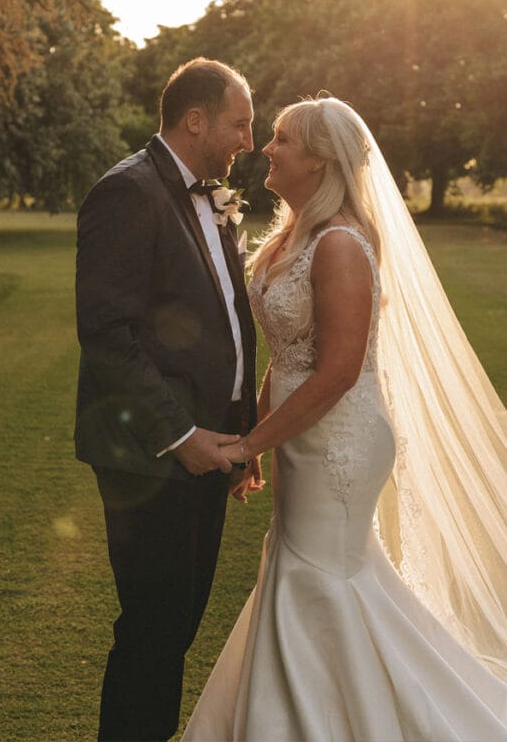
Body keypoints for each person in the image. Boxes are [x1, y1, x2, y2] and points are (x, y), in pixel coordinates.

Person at [182, 95, 506, 742]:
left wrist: (249, 444)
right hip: (305, 436)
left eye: (283, 140)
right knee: (310, 575)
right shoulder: (292, 236)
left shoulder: (340, 245)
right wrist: (263, 445)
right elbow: (289, 356)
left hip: (341, 444)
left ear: (321, 162)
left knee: (321, 579)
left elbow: (336, 371)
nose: (268, 149)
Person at [74, 58, 260, 742]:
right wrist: (182, 436)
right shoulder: (129, 191)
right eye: (240, 123)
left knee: (175, 625)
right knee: (154, 627)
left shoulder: (206, 195)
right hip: (152, 454)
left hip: (208, 447)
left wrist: (239, 435)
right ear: (195, 120)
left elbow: (223, 320)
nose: (248, 138)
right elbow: (106, 334)